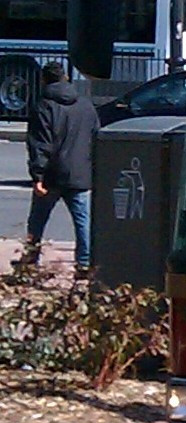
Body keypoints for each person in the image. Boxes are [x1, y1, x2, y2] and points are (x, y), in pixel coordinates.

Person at [27, 62, 98, 273]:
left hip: (52, 173)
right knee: (83, 222)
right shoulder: (86, 105)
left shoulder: (43, 106)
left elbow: (41, 144)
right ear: (66, 78)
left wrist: (37, 175)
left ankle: (30, 261)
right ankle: (84, 264)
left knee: (38, 220)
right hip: (80, 173)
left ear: (44, 80)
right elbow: (96, 136)